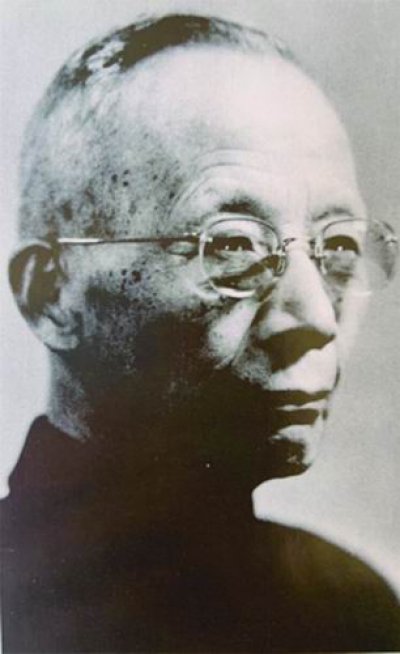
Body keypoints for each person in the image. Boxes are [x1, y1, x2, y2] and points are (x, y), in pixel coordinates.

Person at [1, 13, 399, 652]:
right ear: (54, 294)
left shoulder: (352, 612)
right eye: (234, 245)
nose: (317, 319)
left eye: (338, 248)